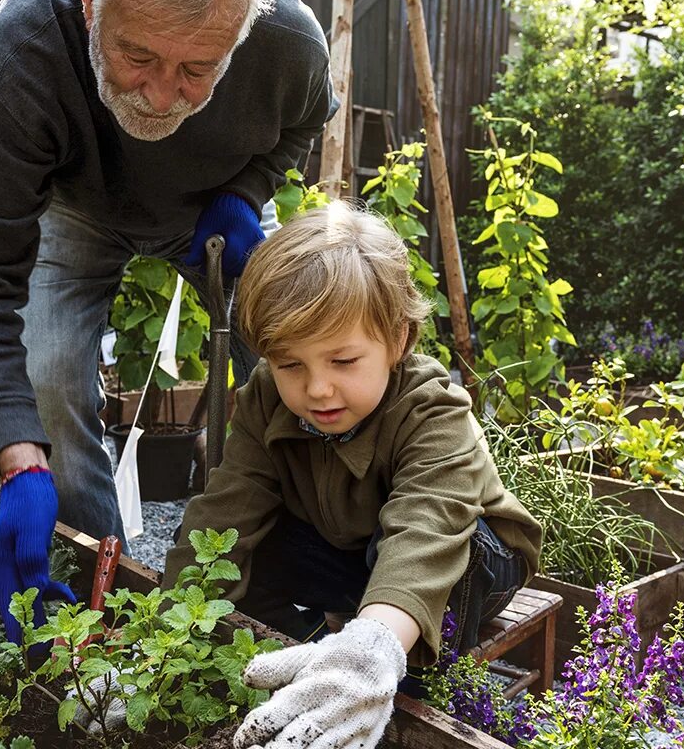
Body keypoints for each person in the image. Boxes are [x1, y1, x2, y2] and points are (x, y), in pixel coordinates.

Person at [0, 0, 337, 643]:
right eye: (137, 55)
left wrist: (244, 195)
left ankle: (311, 569)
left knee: (304, 358)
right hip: (76, 210)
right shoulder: (29, 44)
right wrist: (18, 457)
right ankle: (103, 601)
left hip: (213, 210)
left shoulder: (286, 39)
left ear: (242, 29)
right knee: (48, 388)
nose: (158, 94)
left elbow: (302, 123)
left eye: (196, 70)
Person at [160, 203, 543, 749]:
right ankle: (309, 664)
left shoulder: (433, 409)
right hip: (350, 548)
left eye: (342, 362)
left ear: (399, 341)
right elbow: (224, 511)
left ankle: (394, 676)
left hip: (468, 555)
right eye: (291, 364)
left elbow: (426, 528)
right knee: (244, 546)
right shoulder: (265, 400)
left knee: (430, 556)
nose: (317, 389)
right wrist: (159, 640)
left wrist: (377, 645)